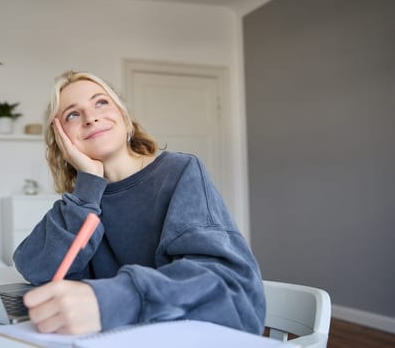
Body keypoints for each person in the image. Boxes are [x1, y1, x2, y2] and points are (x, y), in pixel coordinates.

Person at [13, 70, 265, 336]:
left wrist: (113, 299)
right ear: (61, 140)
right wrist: (88, 185)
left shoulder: (179, 172)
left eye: (101, 102)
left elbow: (223, 281)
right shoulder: (83, 200)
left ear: (124, 117)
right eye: (72, 114)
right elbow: (36, 268)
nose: (91, 117)